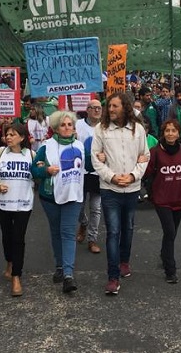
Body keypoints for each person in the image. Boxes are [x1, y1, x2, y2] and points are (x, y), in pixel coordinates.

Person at [91, 92, 150, 295]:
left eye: (115, 106)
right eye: (110, 106)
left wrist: (133, 176)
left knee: (128, 228)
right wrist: (112, 177)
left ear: (125, 107)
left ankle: (124, 261)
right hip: (110, 190)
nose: (111, 109)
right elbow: (95, 159)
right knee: (113, 231)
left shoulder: (138, 129)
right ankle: (113, 277)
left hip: (132, 189)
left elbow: (145, 156)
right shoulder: (101, 129)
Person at [32, 111, 86, 294]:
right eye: (63, 125)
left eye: (70, 125)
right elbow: (35, 169)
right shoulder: (46, 147)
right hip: (50, 197)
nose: (67, 128)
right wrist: (46, 170)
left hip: (73, 195)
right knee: (56, 232)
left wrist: (101, 158)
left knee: (68, 233)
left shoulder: (80, 145)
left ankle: (68, 275)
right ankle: (60, 266)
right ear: (55, 128)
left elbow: (90, 165)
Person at [144, 119, 181, 283]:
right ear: (163, 133)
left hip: (180, 198)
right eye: (167, 130)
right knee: (169, 232)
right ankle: (170, 270)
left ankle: (164, 255)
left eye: (173, 130)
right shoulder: (155, 152)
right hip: (162, 200)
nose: (170, 133)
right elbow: (146, 172)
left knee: (172, 233)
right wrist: (139, 161)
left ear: (178, 133)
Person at [0, 123, 34, 297]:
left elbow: (39, 174)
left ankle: (16, 276)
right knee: (7, 235)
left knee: (19, 238)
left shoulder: (31, 155)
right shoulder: (0, 153)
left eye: (13, 134)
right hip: (3, 204)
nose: (9, 137)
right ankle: (10, 261)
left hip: (23, 203)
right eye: (7, 134)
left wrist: (42, 170)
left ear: (22, 137)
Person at [75, 99, 103, 254]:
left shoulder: (105, 127)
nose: (97, 111)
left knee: (96, 208)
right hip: (80, 173)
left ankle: (92, 239)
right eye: (94, 108)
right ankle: (83, 223)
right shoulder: (78, 126)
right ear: (87, 110)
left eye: (99, 108)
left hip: (98, 173)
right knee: (79, 205)